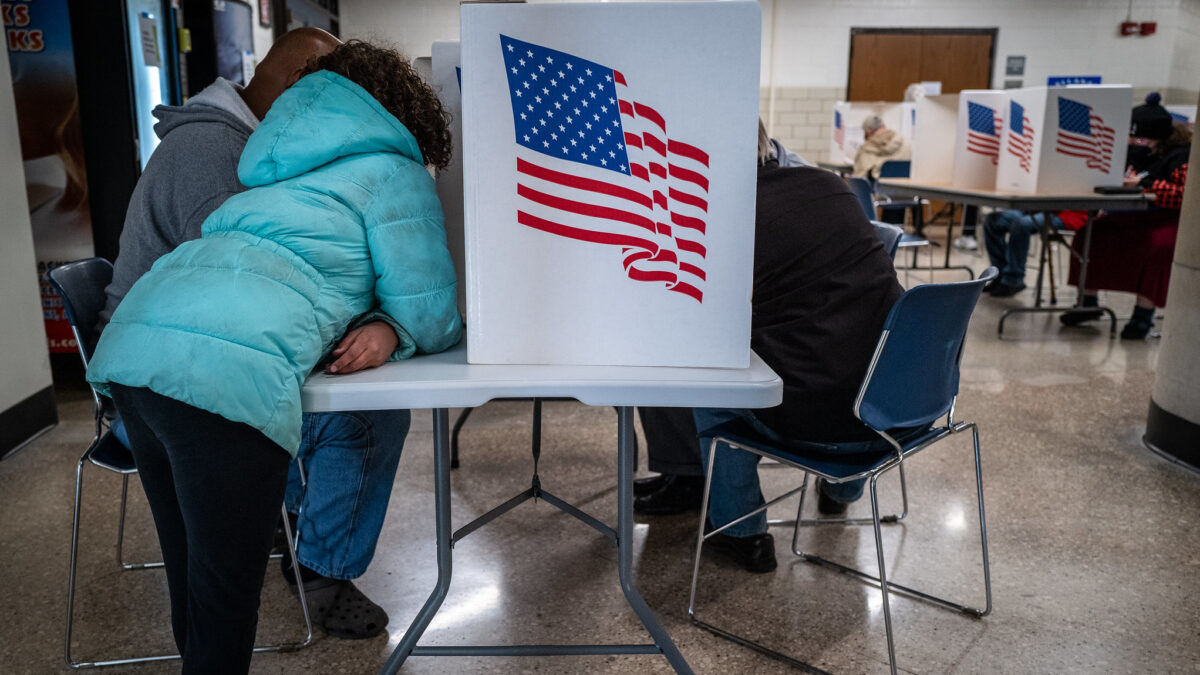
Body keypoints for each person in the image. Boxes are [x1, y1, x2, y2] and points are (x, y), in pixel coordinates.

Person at [86, 40, 462, 673]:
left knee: (196, 584)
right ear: (401, 109)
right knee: (226, 602)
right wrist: (396, 331)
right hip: (220, 378)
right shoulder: (393, 174)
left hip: (135, 355)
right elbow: (430, 308)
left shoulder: (272, 165)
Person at [692, 120, 906, 574]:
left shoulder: (726, 219)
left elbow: (711, 319)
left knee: (711, 386)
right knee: (847, 341)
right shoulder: (831, 186)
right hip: (894, 409)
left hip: (818, 423)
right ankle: (841, 489)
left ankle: (742, 535)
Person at [633, 123, 805, 517]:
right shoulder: (769, 178)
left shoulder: (788, 184)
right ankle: (683, 470)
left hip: (783, 331)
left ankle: (706, 493)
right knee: (655, 345)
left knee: (685, 358)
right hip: (845, 358)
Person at [1061, 94, 1191, 340]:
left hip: (1165, 219)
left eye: (1140, 138)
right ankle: (1088, 302)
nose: (1134, 142)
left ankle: (1143, 316)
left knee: (1157, 249)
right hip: (1130, 216)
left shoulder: (1182, 156)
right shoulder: (1136, 151)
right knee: (1090, 235)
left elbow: (1184, 195)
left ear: (1158, 137)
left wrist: (1144, 184)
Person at [981, 210, 1078, 297]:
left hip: (1063, 212)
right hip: (1032, 208)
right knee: (992, 220)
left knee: (1021, 225)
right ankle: (999, 275)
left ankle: (1013, 280)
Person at [852, 114, 910, 181]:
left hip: (877, 189)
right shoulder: (905, 142)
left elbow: (860, 176)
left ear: (869, 132)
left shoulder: (865, 148)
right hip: (903, 187)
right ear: (884, 126)